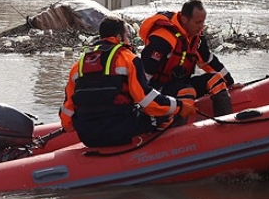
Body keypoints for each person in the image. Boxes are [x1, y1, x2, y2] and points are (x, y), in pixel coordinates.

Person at [60, 15, 196, 147]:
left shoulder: (78, 65)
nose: (129, 41)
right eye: (127, 36)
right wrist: (179, 106)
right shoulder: (129, 59)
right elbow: (148, 101)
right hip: (119, 131)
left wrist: (69, 127)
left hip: (87, 136)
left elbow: (67, 110)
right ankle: (171, 149)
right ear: (119, 38)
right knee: (163, 116)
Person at [138, 0, 235, 117]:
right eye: (197, 22)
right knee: (187, 91)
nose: (201, 27)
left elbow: (207, 60)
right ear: (184, 19)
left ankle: (226, 124)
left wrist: (230, 83)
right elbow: (144, 74)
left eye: (202, 22)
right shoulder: (162, 39)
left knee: (216, 79)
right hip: (159, 88)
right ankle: (178, 131)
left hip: (182, 83)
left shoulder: (196, 38)